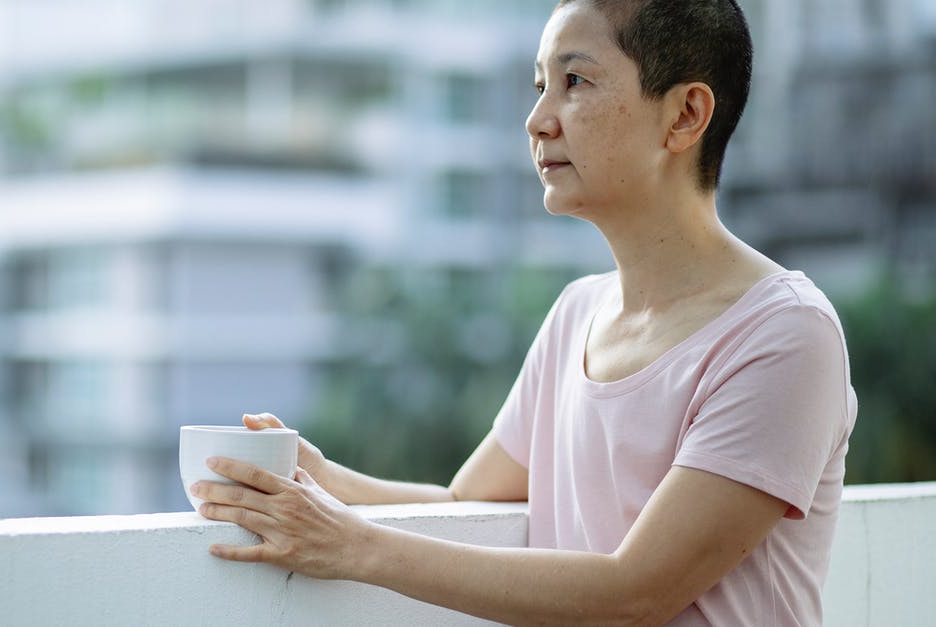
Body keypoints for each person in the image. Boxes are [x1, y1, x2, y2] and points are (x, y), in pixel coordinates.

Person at [190, 0, 857, 624]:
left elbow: (637, 591)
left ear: (684, 115)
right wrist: (321, 476)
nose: (539, 119)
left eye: (576, 81)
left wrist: (354, 546)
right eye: (540, 84)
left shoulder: (784, 333)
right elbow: (464, 502)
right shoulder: (576, 314)